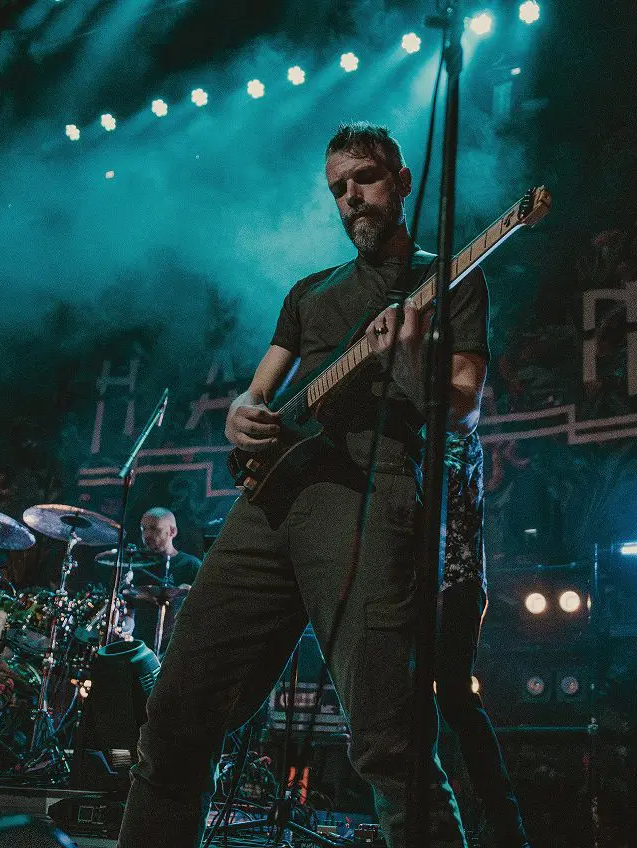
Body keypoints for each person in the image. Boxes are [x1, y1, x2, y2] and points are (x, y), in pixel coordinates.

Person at [116, 122, 487, 848]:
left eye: (366, 180)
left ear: (402, 183)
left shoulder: (453, 278)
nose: (352, 199)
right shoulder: (309, 292)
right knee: (177, 713)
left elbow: (464, 407)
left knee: (389, 740)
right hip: (270, 503)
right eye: (339, 189)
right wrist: (239, 413)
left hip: (369, 497)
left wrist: (410, 363)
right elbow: (257, 391)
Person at [434, 432, 529, 848]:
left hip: (455, 583)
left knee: (455, 699)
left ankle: (504, 825)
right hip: (425, 584)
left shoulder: (454, 435)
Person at [127, 507, 202, 655]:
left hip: (178, 646)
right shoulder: (137, 566)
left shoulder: (191, 565)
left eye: (154, 529)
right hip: (140, 645)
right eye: (143, 529)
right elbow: (129, 607)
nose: (147, 535)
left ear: (172, 531)